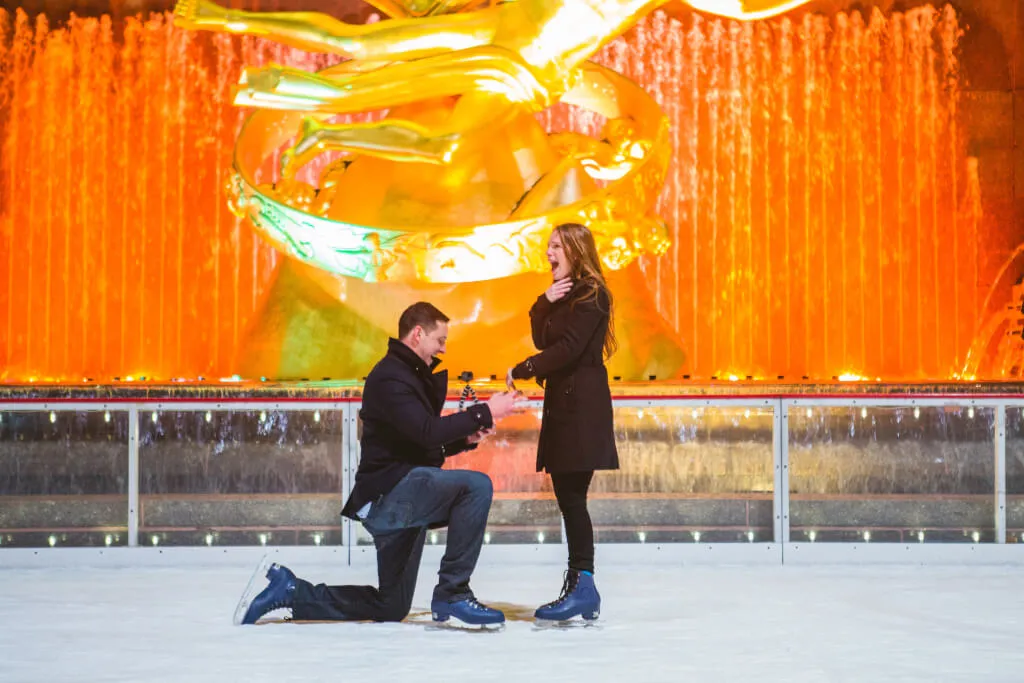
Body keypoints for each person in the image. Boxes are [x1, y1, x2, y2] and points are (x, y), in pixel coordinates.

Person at [237, 302, 523, 628]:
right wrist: (485, 412)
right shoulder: (390, 377)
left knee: (391, 606)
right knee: (476, 487)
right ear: (418, 334)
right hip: (390, 495)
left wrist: (465, 438)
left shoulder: (406, 375)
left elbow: (419, 442)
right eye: (440, 340)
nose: (443, 349)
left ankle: (291, 591)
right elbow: (427, 433)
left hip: (401, 494)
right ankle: (453, 594)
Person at [506, 222, 619, 624]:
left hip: (581, 408)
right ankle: (580, 586)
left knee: (572, 499)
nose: (548, 253)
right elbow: (544, 339)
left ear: (574, 249)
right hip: (565, 405)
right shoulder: (565, 294)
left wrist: (524, 368)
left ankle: (583, 585)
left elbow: (567, 348)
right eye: (549, 246)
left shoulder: (592, 294)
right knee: (570, 499)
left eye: (556, 246)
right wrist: (543, 302)